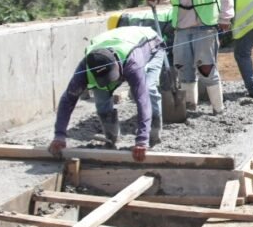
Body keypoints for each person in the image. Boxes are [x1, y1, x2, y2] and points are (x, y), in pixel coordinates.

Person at [146, 0, 234, 114]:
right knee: (182, 68)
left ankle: (218, 109)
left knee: (206, 68)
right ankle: (189, 107)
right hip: (181, 25)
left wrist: (226, 16)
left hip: (205, 24)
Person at [49, 26, 166, 162]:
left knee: (149, 90)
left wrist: (141, 141)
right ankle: (111, 140)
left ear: (116, 64)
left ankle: (153, 138)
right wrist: (59, 136)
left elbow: (142, 100)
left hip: (151, 46)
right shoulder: (85, 67)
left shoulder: (133, 62)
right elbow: (68, 99)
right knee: (101, 93)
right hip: (115, 43)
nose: (110, 81)